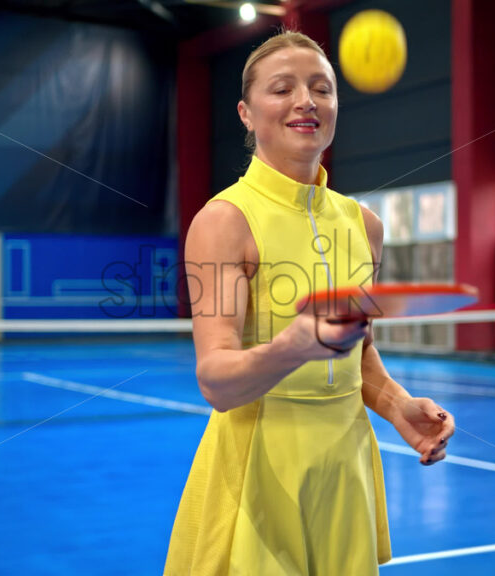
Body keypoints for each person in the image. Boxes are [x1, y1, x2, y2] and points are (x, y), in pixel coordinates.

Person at [165, 30, 454, 575]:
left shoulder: (363, 225)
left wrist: (398, 406)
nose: (306, 100)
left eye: (321, 88)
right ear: (246, 113)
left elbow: (356, 351)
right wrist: (294, 345)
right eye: (283, 88)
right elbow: (217, 382)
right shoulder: (225, 221)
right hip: (260, 468)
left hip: (345, 465)